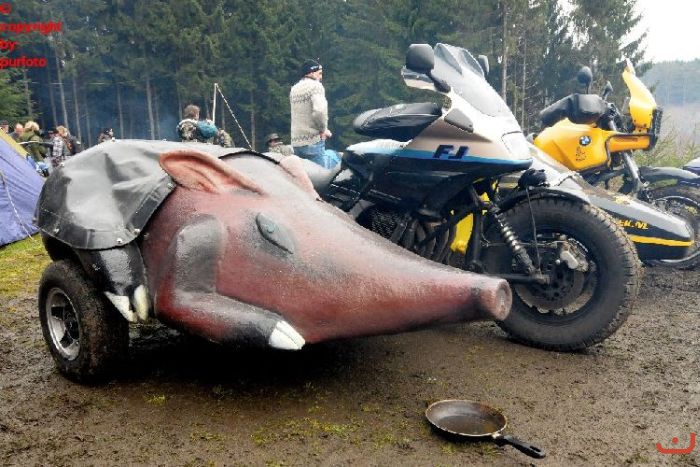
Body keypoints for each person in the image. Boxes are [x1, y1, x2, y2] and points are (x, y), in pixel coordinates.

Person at [290, 59, 340, 168]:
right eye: (320, 73)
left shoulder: (294, 89)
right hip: (312, 142)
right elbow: (319, 112)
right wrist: (323, 130)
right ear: (311, 73)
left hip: (296, 144)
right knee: (324, 173)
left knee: (306, 174)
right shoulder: (316, 86)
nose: (321, 77)